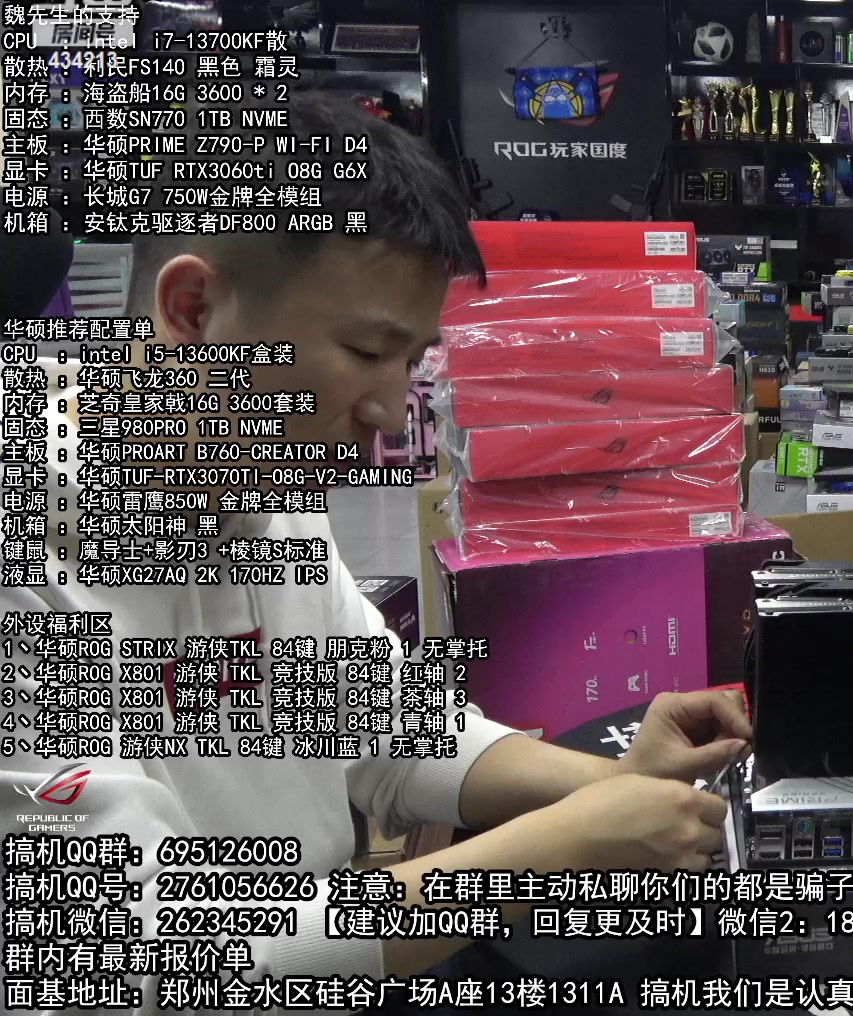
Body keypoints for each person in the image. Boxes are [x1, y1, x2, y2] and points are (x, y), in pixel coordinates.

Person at [2, 93, 748, 1012]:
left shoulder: (263, 496)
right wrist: (557, 848)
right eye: (364, 351)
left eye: (412, 360)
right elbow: (151, 956)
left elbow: (395, 733)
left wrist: (622, 787)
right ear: (192, 312)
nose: (392, 412)